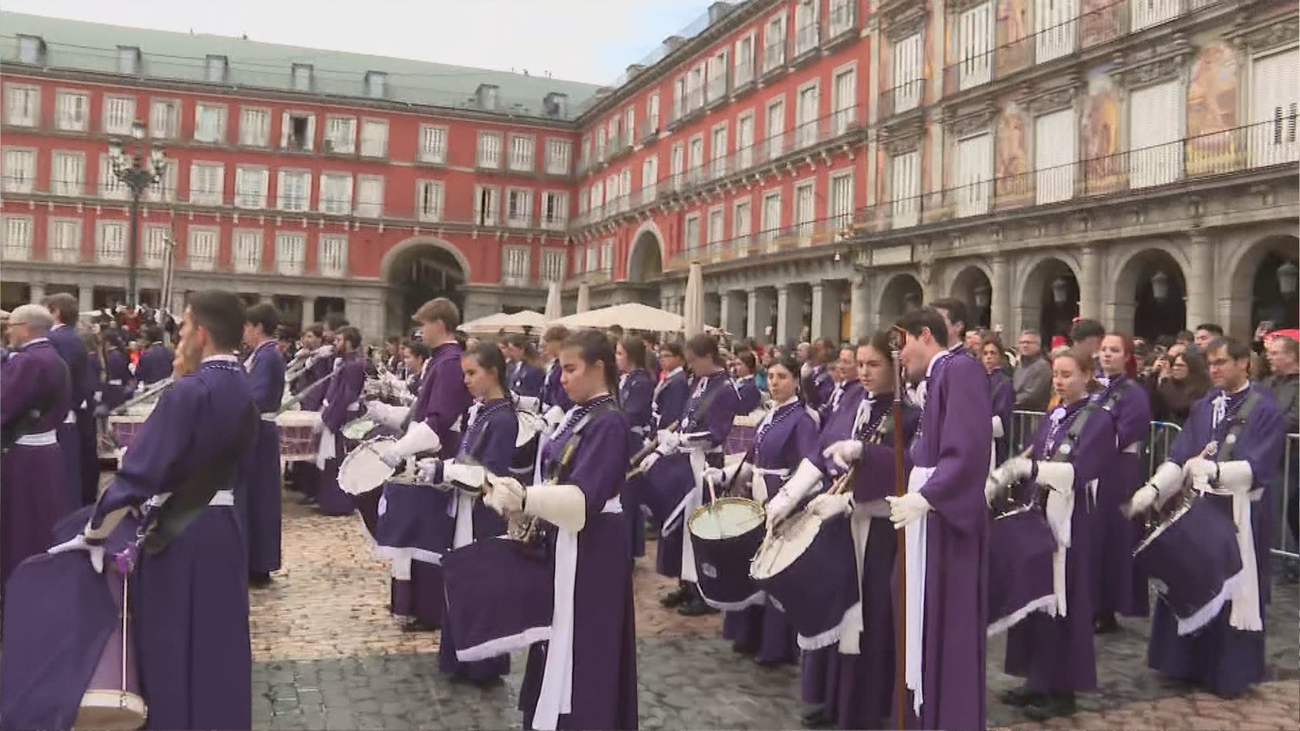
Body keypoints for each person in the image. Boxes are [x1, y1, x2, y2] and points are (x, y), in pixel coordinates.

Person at [34, 290, 257, 729]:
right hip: (224, 531)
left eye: (186, 327)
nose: (181, 336)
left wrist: (96, 529)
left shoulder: (189, 392)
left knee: (170, 641)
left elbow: (139, 474)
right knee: (219, 641)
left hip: (180, 535)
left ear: (203, 334)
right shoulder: (244, 389)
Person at [482, 329, 638, 730]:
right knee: (557, 633)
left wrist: (526, 498)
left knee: (586, 640)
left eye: (570, 369)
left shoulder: (610, 422)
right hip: (566, 539)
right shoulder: (579, 414)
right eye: (560, 369)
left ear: (598, 368)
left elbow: (586, 499)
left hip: (594, 546)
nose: (562, 378)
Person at [1129, 337, 1284, 698]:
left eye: (1222, 362)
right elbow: (1182, 452)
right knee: (1190, 577)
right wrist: (1154, 489)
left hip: (1240, 509)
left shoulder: (1264, 407)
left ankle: (1227, 670)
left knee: (1230, 586)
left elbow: (1261, 464)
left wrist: (1214, 470)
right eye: (1210, 363)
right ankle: (1183, 663)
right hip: (1200, 506)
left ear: (1244, 363)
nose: (1214, 369)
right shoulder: (1205, 405)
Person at [791, 330, 921, 730]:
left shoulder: (908, 412)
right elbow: (825, 448)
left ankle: (864, 703)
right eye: (860, 364)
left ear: (895, 366)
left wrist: (867, 459)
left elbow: (907, 470)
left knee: (870, 615)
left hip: (878, 530)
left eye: (873, 364)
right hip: (842, 522)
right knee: (836, 604)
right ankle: (833, 694)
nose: (864, 372)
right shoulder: (851, 401)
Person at [988, 348, 1117, 720]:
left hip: (1071, 519)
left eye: (1067, 374)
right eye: (1056, 375)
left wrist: (1028, 468)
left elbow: (1081, 471)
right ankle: (1035, 678)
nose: (1059, 381)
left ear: (1087, 375)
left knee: (1063, 602)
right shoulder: (1055, 412)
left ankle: (1062, 688)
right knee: (1036, 597)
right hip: (1040, 510)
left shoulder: (1098, 419)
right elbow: (1038, 449)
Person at [889, 307, 990, 730]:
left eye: (903, 344)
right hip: (931, 512)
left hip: (945, 517)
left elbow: (967, 449)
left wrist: (928, 497)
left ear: (925, 335)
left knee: (946, 620)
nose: (900, 355)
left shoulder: (960, 370)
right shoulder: (938, 377)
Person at [414, 341, 516, 685]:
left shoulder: (502, 419)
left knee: (482, 585)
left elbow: (490, 476)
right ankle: (461, 656)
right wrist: (441, 467)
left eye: (472, 373)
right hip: (465, 508)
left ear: (493, 372)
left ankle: (484, 663)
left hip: (484, 515)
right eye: (464, 374)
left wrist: (445, 473)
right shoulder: (482, 412)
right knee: (463, 582)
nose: (466, 381)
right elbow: (466, 462)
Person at [367, 298, 472, 631]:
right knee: (415, 532)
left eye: (424, 324)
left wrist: (400, 449)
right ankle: (413, 603)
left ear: (439, 323)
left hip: (437, 454)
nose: (419, 331)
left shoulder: (450, 363)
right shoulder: (443, 361)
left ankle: (429, 609)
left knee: (426, 534)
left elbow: (439, 420)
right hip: (428, 450)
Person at [707, 354, 815, 666]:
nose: (775, 383)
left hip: (783, 503)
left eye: (782, 377)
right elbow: (752, 457)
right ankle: (750, 634)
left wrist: (787, 501)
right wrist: (726, 475)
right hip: (758, 496)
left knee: (775, 572)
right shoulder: (770, 415)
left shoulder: (803, 419)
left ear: (796, 380)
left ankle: (777, 645)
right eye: (770, 377)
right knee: (754, 565)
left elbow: (808, 467)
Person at [644, 334, 743, 616]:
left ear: (708, 357)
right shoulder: (701, 382)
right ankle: (686, 583)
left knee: (699, 531)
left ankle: (703, 589)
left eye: (692, 361)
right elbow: (688, 419)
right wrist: (668, 443)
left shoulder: (725, 388)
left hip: (706, 466)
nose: (689, 367)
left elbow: (716, 433)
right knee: (682, 528)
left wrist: (682, 440)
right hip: (687, 463)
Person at [0, 304, 73, 618]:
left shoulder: (28, 362)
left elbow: (5, 404)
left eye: (12, 325)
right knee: (42, 524)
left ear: (26, 327)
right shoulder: (57, 360)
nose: (8, 331)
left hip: (23, 457)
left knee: (19, 531)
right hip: (48, 453)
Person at [1091, 333, 1154, 634]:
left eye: (1114, 351)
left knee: (1115, 537)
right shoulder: (1094, 388)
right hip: (1092, 467)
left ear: (1127, 356)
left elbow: (1129, 429)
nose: (1107, 355)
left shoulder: (1133, 392)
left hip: (1118, 470)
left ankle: (1109, 606)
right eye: (1103, 350)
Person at [241, 303, 285, 586]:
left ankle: (259, 562)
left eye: (246, 326)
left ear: (258, 327)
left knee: (259, 498)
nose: (243, 332)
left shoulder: (268, 356)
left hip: (259, 431)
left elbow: (256, 396)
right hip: (257, 430)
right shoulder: (261, 355)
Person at [313, 326, 367, 516]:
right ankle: (329, 501)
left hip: (343, 417)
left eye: (339, 340)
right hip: (336, 412)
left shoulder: (354, 364)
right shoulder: (345, 362)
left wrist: (328, 418)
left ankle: (338, 503)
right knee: (332, 460)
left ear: (350, 342)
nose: (335, 344)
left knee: (338, 459)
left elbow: (346, 395)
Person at [44, 293, 91, 508]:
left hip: (59, 414)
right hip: (72, 411)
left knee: (64, 471)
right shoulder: (72, 337)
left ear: (55, 311)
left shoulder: (58, 339)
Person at [617, 335, 655, 560]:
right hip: (625, 439)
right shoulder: (628, 379)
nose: (617, 358)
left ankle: (630, 550)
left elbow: (632, 412)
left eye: (620, 353)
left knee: (630, 499)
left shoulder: (641, 381)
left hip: (632, 442)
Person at [982, 333, 1014, 463]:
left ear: (1000, 356)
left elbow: (1002, 417)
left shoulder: (1004, 383)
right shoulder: (978, 379)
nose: (988, 357)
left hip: (995, 441)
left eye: (992, 353)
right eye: (985, 353)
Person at [539, 326, 575, 430]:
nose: (547, 347)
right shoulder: (555, 364)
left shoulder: (564, 365)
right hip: (549, 412)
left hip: (559, 415)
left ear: (557, 343)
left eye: (548, 343)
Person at [821, 346, 862, 425]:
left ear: (858, 365)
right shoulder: (840, 387)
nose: (841, 366)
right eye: (840, 361)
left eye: (846, 362)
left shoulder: (859, 392)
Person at [1013, 330, 1052, 411]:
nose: (1025, 345)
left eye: (1028, 342)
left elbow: (1032, 395)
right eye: (1022, 342)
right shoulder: (1019, 365)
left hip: (1034, 414)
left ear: (1038, 345)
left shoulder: (1043, 366)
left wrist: (1011, 402)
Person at [505, 333, 546, 406]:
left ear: (521, 350)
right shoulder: (512, 366)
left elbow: (532, 392)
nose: (509, 353)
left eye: (512, 350)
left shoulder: (533, 369)